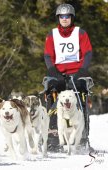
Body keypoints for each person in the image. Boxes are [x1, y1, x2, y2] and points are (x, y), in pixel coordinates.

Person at [43, 3, 93, 151]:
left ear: (72, 18)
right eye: (62, 16)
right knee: (53, 90)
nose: (64, 19)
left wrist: (83, 70)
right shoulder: (52, 34)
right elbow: (47, 55)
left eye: (67, 16)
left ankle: (81, 134)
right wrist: (52, 70)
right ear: (58, 18)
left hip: (77, 72)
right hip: (57, 72)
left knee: (78, 93)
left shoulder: (81, 33)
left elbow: (88, 53)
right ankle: (52, 132)